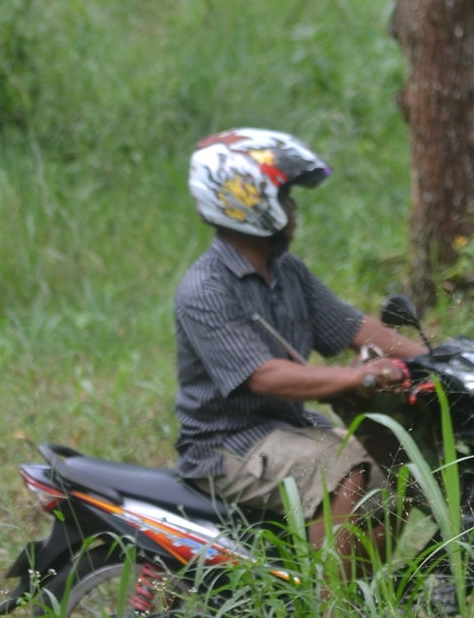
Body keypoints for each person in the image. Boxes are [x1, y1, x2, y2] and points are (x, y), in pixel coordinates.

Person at [174, 127, 425, 568]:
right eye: (286, 196)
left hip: (287, 428)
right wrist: (358, 376)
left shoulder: (288, 271)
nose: (294, 207)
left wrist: (434, 360)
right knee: (343, 468)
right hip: (226, 444)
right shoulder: (206, 287)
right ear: (245, 201)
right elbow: (265, 376)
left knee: (396, 466)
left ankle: (368, 600)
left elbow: (352, 326)